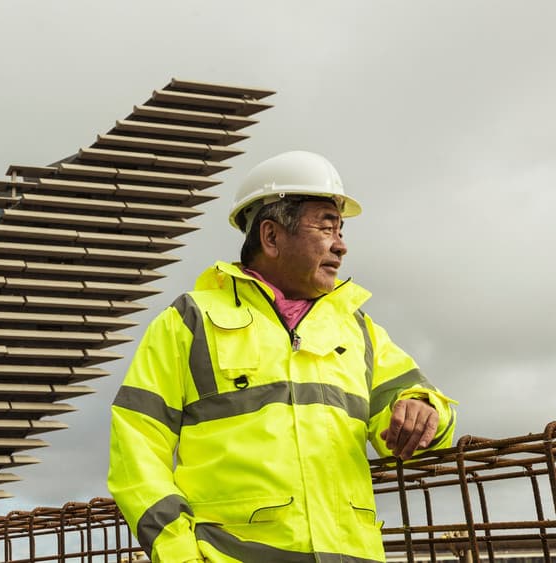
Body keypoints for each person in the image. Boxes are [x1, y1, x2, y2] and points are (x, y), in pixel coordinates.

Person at [107, 150, 456, 563]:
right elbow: (136, 448)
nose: (341, 246)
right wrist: (179, 555)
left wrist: (422, 408)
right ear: (271, 237)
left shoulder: (357, 328)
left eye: (341, 229)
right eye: (326, 227)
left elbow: (429, 425)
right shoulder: (190, 321)